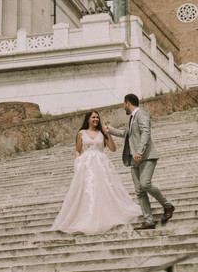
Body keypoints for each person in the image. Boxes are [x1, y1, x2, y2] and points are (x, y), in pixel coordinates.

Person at [50, 110, 140, 234]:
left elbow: (113, 149)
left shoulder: (102, 133)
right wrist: (78, 161)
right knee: (87, 190)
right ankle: (86, 216)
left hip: (101, 164)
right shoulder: (81, 133)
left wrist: (109, 135)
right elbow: (78, 149)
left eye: (97, 117)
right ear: (88, 119)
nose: (96, 119)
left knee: (103, 188)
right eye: (93, 117)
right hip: (86, 164)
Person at [104, 94, 175, 231]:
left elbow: (145, 133)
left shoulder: (142, 115)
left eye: (123, 104)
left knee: (145, 184)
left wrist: (139, 152)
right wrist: (110, 130)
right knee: (140, 191)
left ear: (128, 103)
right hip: (133, 159)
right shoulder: (132, 118)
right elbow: (127, 134)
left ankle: (167, 206)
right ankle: (148, 221)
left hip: (145, 156)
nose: (123, 106)